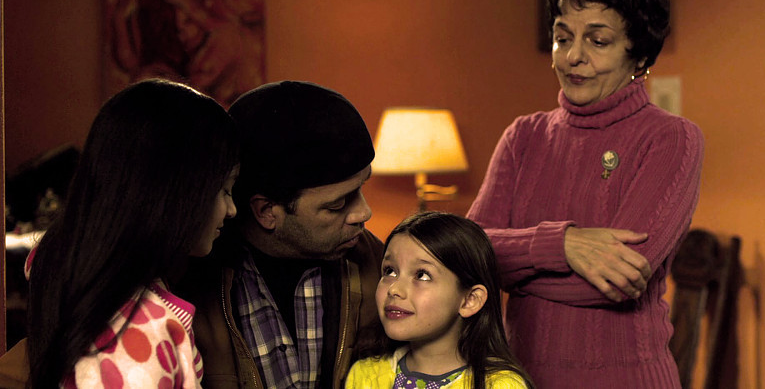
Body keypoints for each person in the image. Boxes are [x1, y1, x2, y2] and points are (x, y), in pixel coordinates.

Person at [466, 0, 704, 388]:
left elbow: (619, 279)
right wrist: (564, 245)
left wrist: (512, 272)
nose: (573, 56)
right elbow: (467, 255)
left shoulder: (671, 138)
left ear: (639, 56)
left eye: (598, 40)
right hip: (520, 380)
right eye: (562, 36)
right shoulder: (523, 136)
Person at [24, 79, 240, 388]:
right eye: (224, 190)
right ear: (177, 192)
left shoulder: (66, 269)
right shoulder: (139, 334)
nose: (231, 209)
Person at [175, 80, 384, 388]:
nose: (364, 213)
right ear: (266, 212)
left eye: (362, 188)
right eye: (338, 204)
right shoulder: (189, 283)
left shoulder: (379, 264)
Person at [346, 211, 534, 389]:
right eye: (390, 271)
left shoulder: (500, 385)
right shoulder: (364, 375)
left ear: (470, 300)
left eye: (422, 275)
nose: (394, 289)